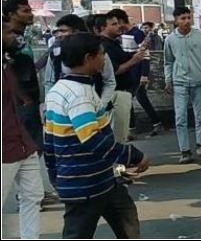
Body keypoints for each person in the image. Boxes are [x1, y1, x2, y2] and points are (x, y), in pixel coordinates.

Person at [44, 32, 149, 238]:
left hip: (100, 178)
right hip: (85, 183)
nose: (105, 58)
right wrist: (133, 155)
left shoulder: (60, 89)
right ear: (88, 59)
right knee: (79, 232)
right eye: (101, 54)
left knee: (126, 218)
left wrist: (54, 174)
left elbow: (50, 141)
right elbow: (93, 140)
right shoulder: (79, 95)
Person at [2, 16, 43, 239]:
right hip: (5, 146)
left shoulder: (8, 63)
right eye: (8, 33)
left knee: (33, 196)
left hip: (23, 142)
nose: (14, 37)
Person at [164, 6, 201, 164]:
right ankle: (184, 150)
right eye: (183, 18)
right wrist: (168, 80)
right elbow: (168, 61)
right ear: (176, 20)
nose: (186, 21)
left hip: (199, 80)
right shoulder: (170, 39)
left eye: (188, 17)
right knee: (180, 117)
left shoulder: (200, 36)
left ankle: (200, 144)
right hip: (180, 82)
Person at [98, 11, 148, 143]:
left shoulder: (114, 42)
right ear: (103, 28)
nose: (118, 26)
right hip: (116, 93)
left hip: (123, 91)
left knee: (121, 133)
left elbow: (125, 59)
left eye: (118, 23)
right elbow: (115, 71)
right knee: (117, 135)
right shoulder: (104, 46)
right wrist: (134, 61)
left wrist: (136, 55)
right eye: (114, 24)